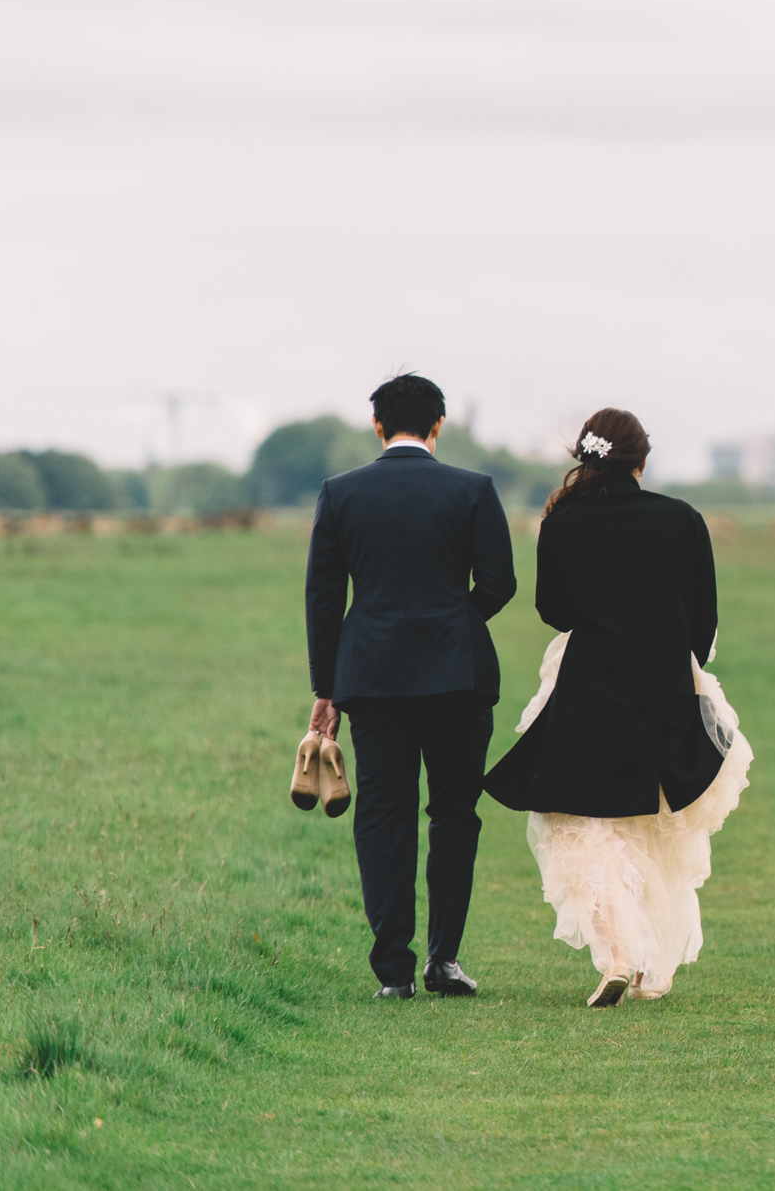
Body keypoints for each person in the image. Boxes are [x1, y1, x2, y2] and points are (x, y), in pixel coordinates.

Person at [482, 408, 750, 1007]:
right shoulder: (683, 520)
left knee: (576, 818)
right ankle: (655, 964)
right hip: (664, 685)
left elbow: (555, 611)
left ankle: (621, 955)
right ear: (642, 461)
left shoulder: (562, 522)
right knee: (658, 822)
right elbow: (702, 623)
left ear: (586, 456)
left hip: (591, 684)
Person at [305, 372, 516, 1000]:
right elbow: (499, 584)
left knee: (383, 816)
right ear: (438, 425)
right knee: (454, 814)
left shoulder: (340, 493)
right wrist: (454, 619)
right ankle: (443, 960)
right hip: (458, 678)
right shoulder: (473, 489)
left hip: (370, 680)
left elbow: (322, 596)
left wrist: (326, 687)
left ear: (377, 425)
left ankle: (393, 972)